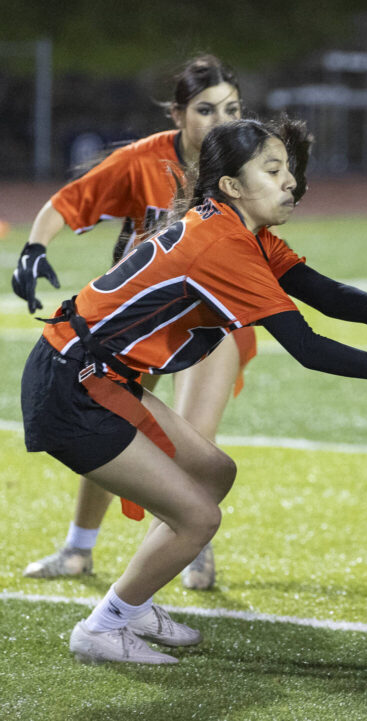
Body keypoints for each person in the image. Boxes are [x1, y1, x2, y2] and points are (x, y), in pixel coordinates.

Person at [20, 117, 367, 665]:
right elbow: (308, 348)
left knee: (215, 474)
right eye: (273, 170)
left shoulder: (239, 230)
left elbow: (327, 295)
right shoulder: (224, 244)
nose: (291, 181)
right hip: (72, 384)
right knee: (200, 518)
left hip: (90, 372)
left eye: (288, 169)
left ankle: (132, 604)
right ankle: (102, 627)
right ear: (232, 186)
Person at [13, 55, 247, 590]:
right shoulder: (144, 160)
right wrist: (33, 248)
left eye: (232, 109)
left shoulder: (246, 165)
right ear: (178, 114)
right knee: (108, 434)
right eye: (206, 109)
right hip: (134, 326)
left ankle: (189, 542)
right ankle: (79, 548)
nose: (221, 121)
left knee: (193, 446)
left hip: (208, 326)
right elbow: (67, 202)